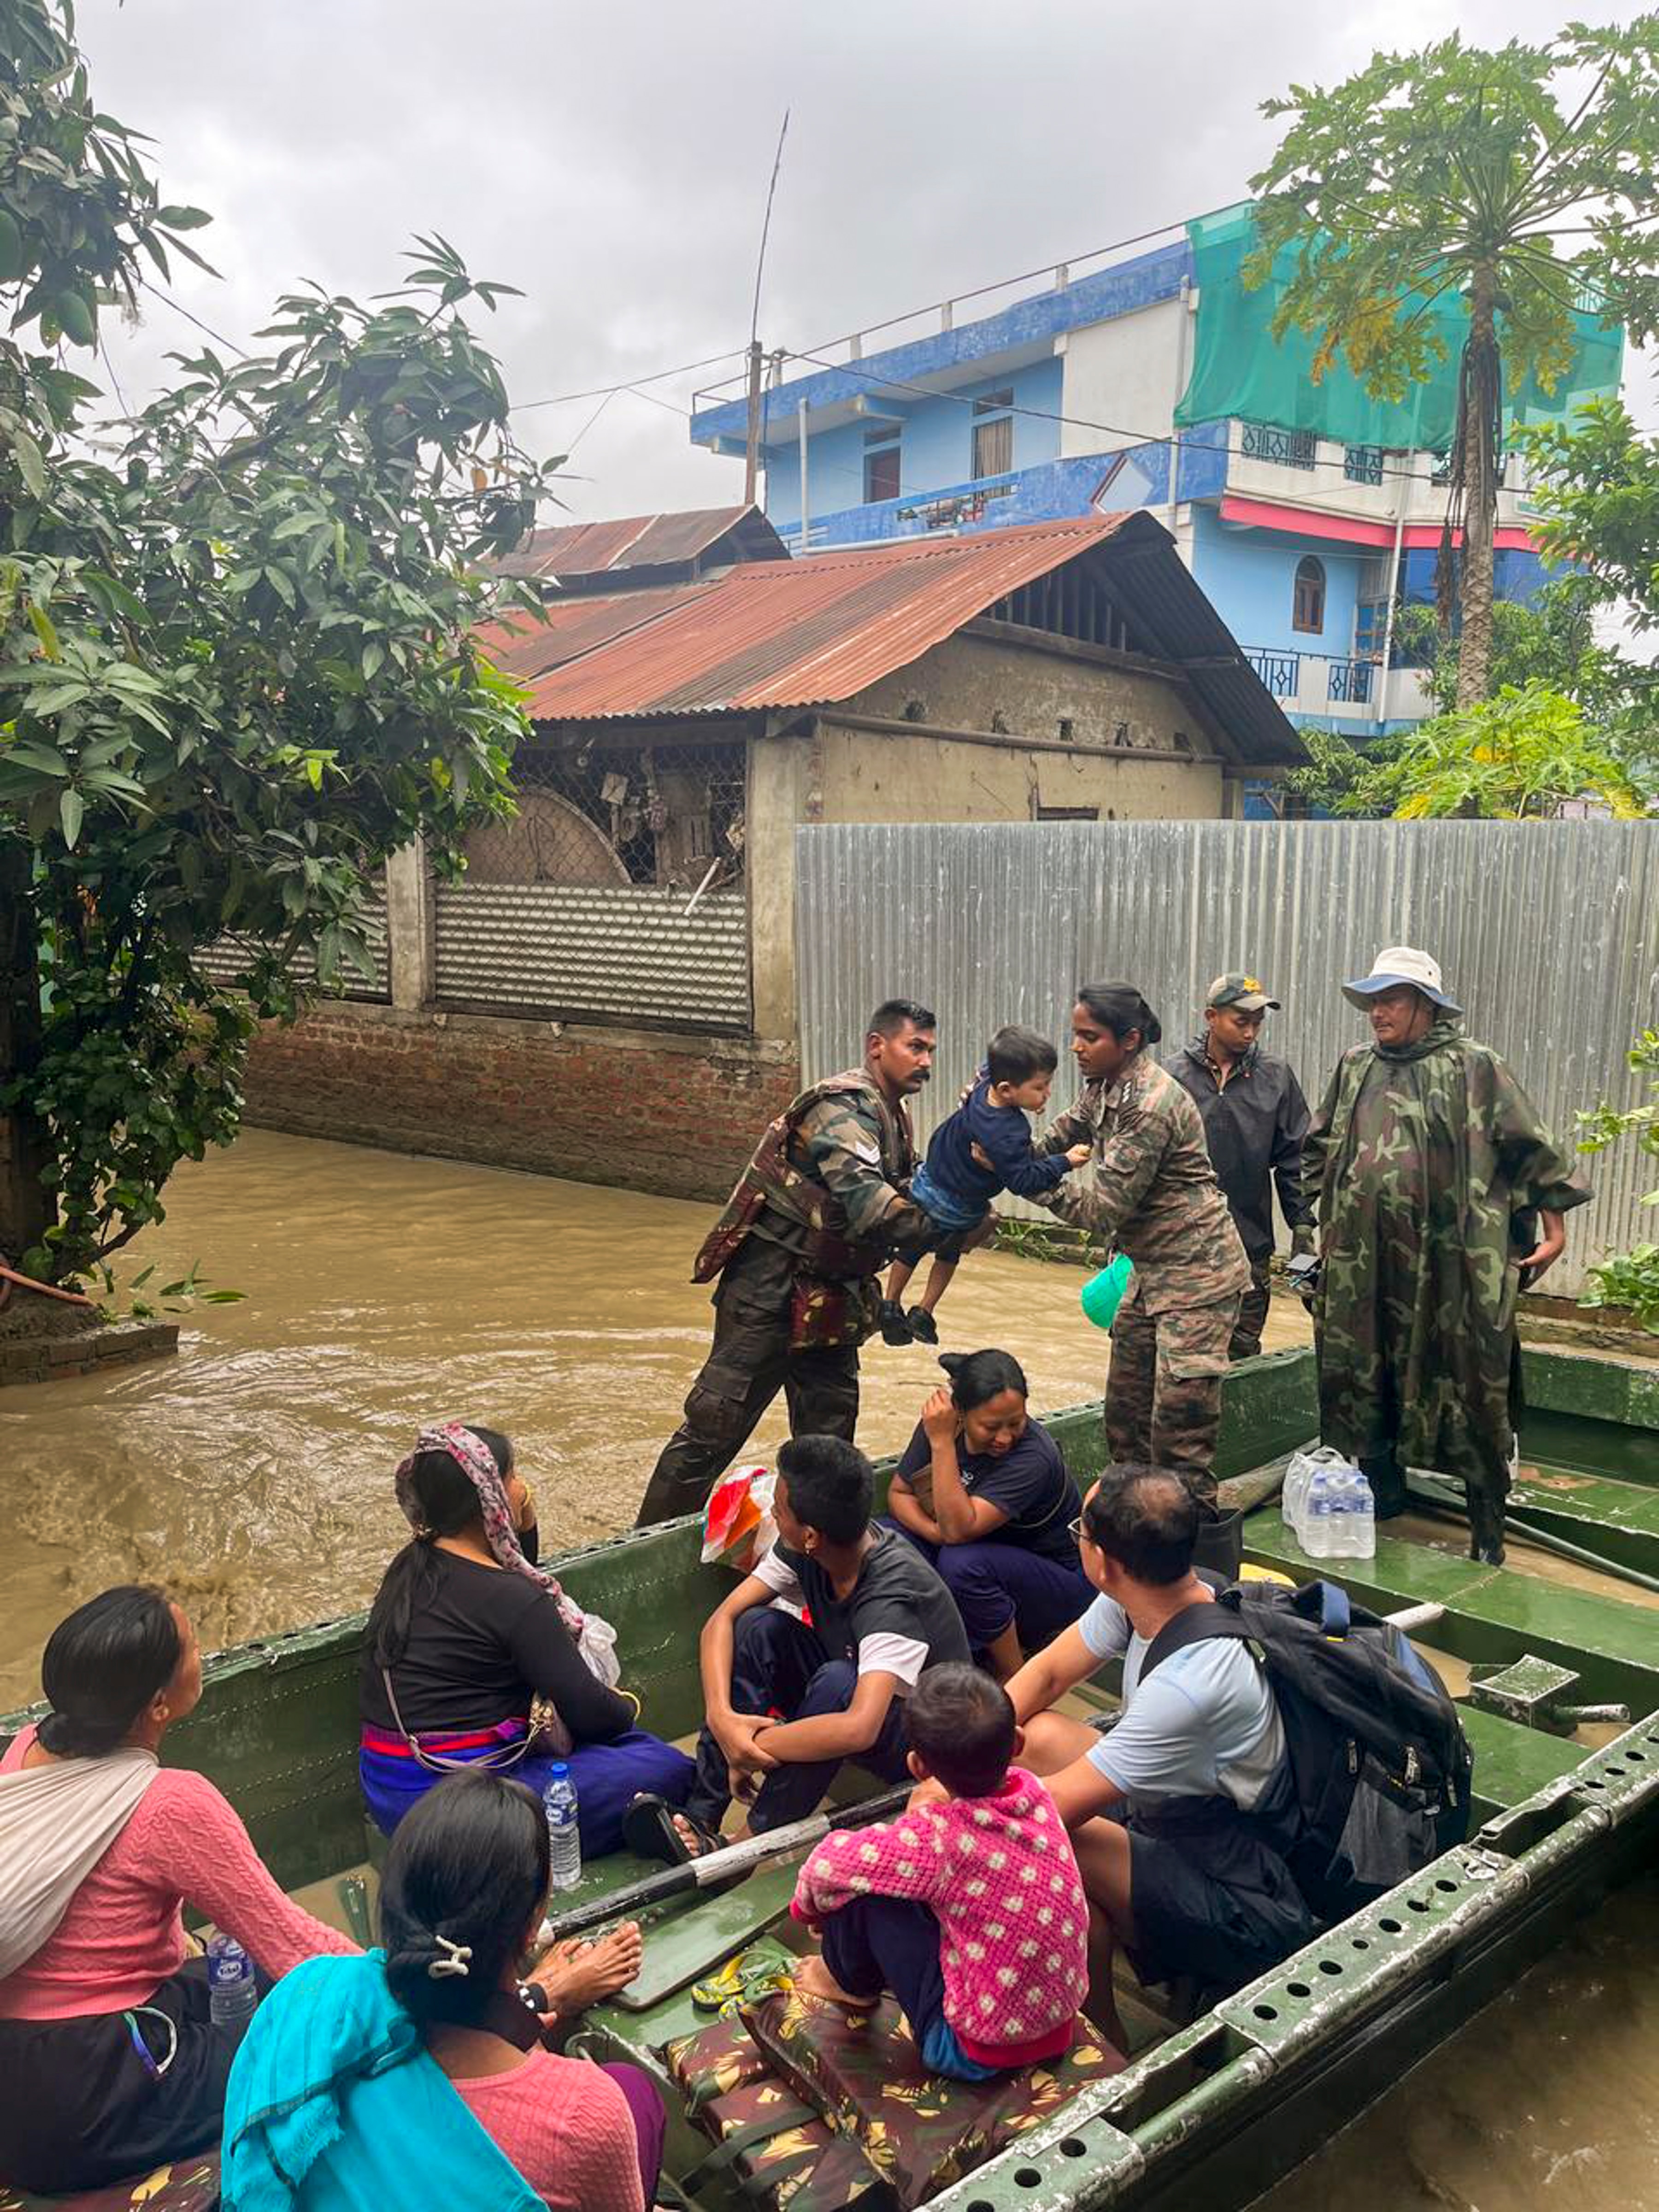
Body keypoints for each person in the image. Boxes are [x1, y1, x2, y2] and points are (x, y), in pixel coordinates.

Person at [0, 1586, 359, 2193]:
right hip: (89, 2096)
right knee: (326, 2033)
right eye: (194, 1646)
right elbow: (295, 1948)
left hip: (16, 2073)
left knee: (246, 1978)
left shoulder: (27, 1748)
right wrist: (403, 1984)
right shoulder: (172, 1807)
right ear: (160, 1706)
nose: (204, 1651)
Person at [222, 1772, 662, 2212]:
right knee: (634, 2092)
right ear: (534, 1922)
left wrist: (545, 1994)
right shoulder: (582, 2114)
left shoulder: (308, 2002)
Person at [1304, 946, 1591, 1564]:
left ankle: (1488, 1532)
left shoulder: (1476, 1067)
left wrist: (1555, 1226)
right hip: (1365, 1265)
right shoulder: (1355, 1066)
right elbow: (1318, 1148)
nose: (1378, 1011)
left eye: (1393, 999)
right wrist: (1318, 1231)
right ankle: (1382, 1500)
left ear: (1427, 1007)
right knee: (1361, 1371)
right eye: (1373, 999)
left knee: (1469, 1380)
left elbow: (1533, 1150)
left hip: (1452, 1267)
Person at [1008, 1470, 1313, 2047]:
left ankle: (1104, 2039)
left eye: (1081, 1532)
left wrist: (941, 1801)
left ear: (1107, 1562)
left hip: (1245, 1887)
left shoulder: (1188, 1689)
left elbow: (1042, 1815)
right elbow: (1046, 1673)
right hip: (1190, 1813)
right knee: (1039, 1738)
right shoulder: (1152, 1596)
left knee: (1049, 1835)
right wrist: (967, 1744)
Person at [635, 1000, 940, 1528]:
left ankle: (822, 1554)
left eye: (931, 1050)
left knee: (829, 1440)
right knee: (713, 1431)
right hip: (769, 1293)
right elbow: (871, 1204)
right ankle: (640, 1553)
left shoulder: (894, 1115)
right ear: (877, 1047)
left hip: (831, 1299)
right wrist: (945, 1227)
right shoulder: (840, 1109)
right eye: (915, 1047)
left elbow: (906, 1192)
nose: (926, 1061)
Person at [360, 1421, 694, 1849]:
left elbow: (509, 1574)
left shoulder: (408, 1567)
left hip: (391, 1795)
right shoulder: (513, 1599)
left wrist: (527, 1520)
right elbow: (598, 1718)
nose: (521, 1487)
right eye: (512, 1477)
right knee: (664, 1764)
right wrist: (622, 1704)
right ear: (490, 1497)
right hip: (460, 1817)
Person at [789, 1664, 1090, 2079]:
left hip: (969, 2051)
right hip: (1056, 2023)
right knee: (901, 1877)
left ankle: (847, 1984)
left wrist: (811, 1911)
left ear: (918, 1767)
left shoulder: (936, 1839)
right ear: (1017, 1743)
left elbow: (828, 1864)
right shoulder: (1034, 1792)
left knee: (868, 1891)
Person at [667, 1435, 971, 1845]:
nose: (773, 1514)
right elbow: (721, 1621)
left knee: (837, 1683)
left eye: (778, 1509)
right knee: (758, 1627)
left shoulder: (892, 1594)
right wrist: (724, 1720)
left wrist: (752, 1742)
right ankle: (702, 1815)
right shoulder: (810, 1549)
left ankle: (744, 1848)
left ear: (811, 1535)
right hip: (857, 1695)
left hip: (925, 1739)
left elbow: (859, 1728)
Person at [1030, 983, 1251, 1509]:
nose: (1077, 1048)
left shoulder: (1150, 1104)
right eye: (1076, 1036)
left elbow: (1103, 1211)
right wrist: (991, 1144)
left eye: (1090, 1037)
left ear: (1129, 1040)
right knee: (1125, 1418)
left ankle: (1192, 1559)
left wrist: (1028, 1182)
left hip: (1198, 1276)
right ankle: (1130, 1535)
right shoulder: (1102, 1087)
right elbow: (1050, 1141)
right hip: (1149, 1273)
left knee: (1179, 1435)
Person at [884, 1349, 1092, 1679]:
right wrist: (932, 1532)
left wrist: (941, 1446)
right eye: (992, 1427)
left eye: (1016, 1422)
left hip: (1058, 1581)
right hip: (987, 1558)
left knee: (962, 1563)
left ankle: (1014, 1677)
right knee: (884, 1539)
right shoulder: (941, 1426)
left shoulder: (1033, 1457)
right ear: (961, 1414)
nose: (1005, 1437)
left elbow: (958, 1532)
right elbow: (899, 1494)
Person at [878, 1024, 1091, 1346]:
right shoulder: (1008, 1132)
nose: (1047, 1094)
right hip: (959, 1205)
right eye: (1041, 1088)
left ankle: (891, 1304)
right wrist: (1065, 1161)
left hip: (930, 1180)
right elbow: (1022, 1179)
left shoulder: (982, 1086)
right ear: (1007, 1090)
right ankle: (924, 1310)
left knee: (911, 1248)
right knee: (948, 1254)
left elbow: (992, 1062)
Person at [1166, 973, 1316, 1361]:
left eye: (1258, 1023)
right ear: (1211, 1017)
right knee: (1178, 1359)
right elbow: (1144, 1162)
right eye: (1241, 1021)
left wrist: (1302, 1229)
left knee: (1242, 1354)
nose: (1251, 1033)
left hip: (1248, 1249)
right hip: (1179, 1251)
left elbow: (1294, 1161)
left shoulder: (1276, 1077)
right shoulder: (1172, 1078)